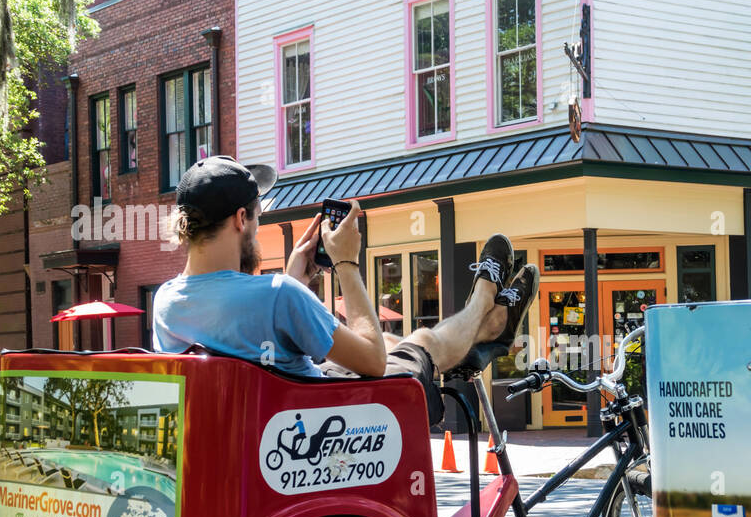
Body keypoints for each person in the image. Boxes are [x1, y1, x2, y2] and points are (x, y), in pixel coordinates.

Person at [153, 156, 537, 426]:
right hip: (332, 425)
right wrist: (346, 263)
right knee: (419, 341)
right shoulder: (277, 296)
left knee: (388, 336)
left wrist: (293, 280)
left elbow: (246, 330)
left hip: (264, 430)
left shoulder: (166, 302)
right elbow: (371, 361)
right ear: (241, 219)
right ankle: (486, 309)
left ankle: (481, 331)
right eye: (256, 217)